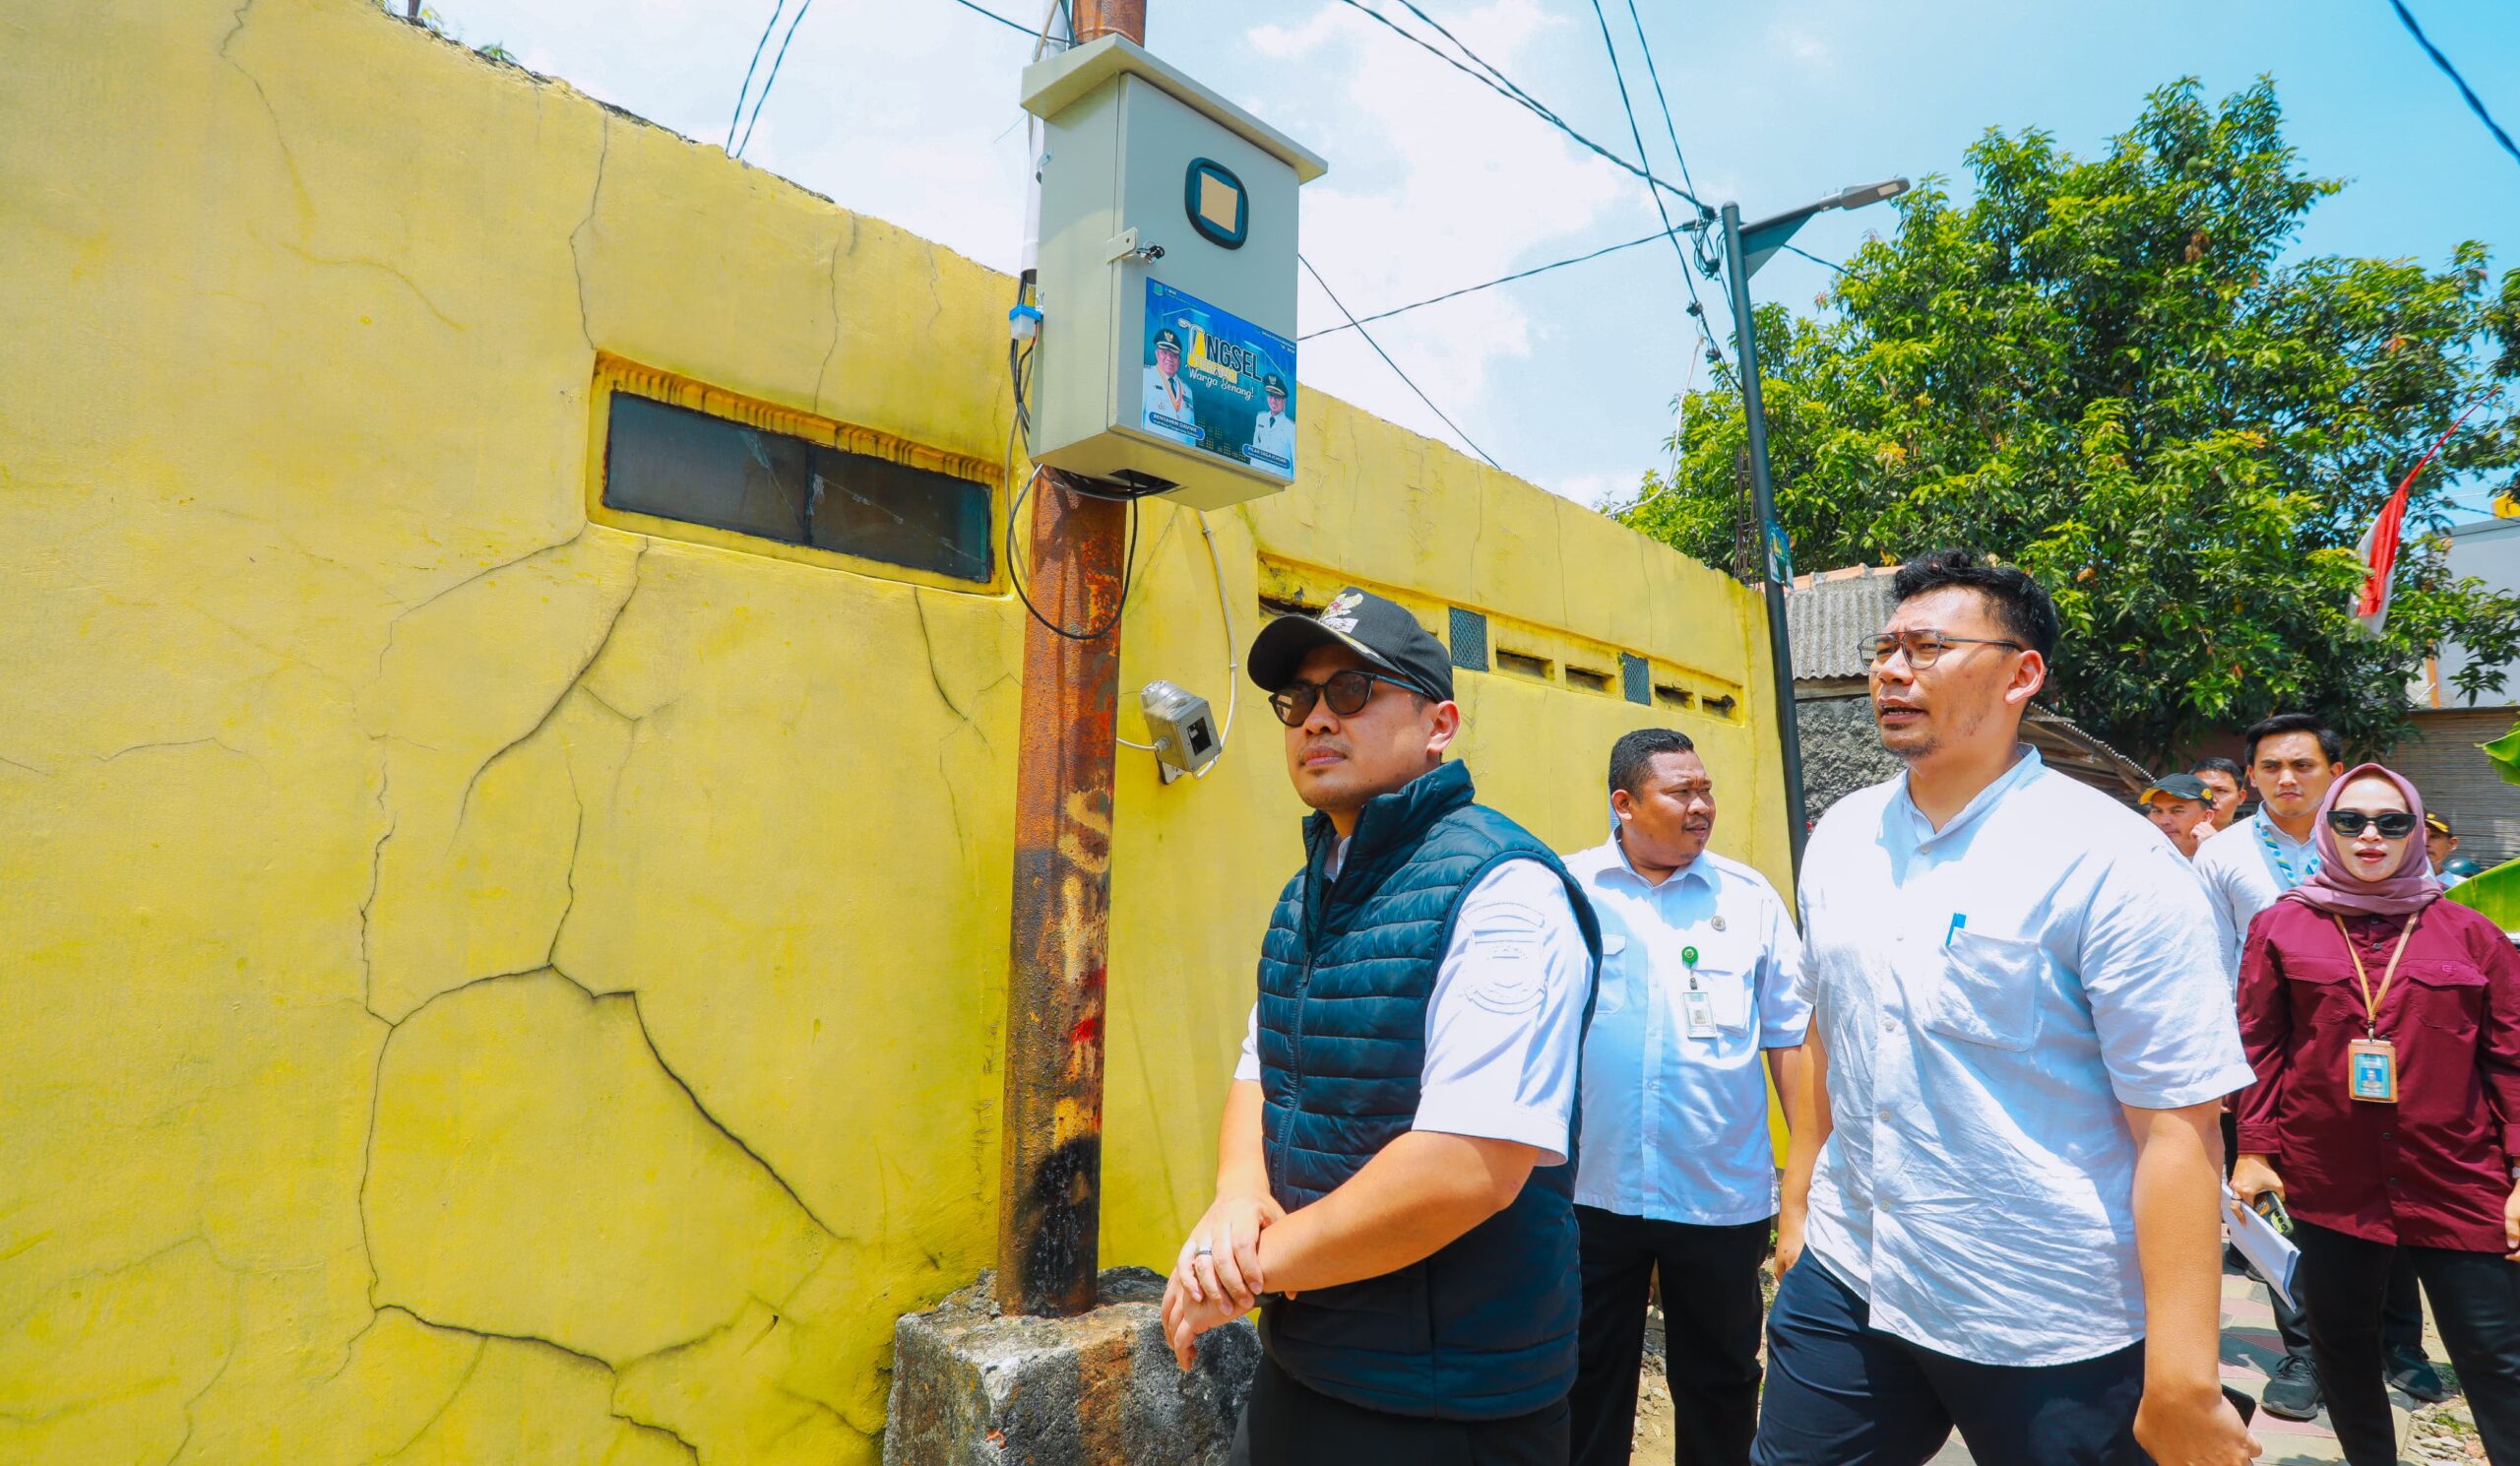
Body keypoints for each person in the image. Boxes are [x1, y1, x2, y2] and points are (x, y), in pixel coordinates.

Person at [1755, 548, 2259, 1466]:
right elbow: (1832, 1032)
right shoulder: (1840, 839)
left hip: (2047, 1311)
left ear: (2023, 672)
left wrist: (2184, 1372)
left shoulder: (2112, 861)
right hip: (1852, 1272)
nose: (1892, 670)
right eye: (1885, 647)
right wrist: (1799, 1212)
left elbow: (2179, 1128)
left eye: (1928, 646)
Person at [1163, 586, 1602, 1466]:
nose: (1317, 717)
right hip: (1310, 1356)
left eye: (1353, 691)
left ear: (1439, 725)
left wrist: (1246, 1269)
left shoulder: (1502, 889)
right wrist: (1236, 1198)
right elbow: (1266, 1063)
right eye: (1298, 700)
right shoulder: (1312, 886)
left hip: (1446, 1400)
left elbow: (1465, 1166)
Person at [2231, 763, 2520, 1464]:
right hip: (2330, 1180)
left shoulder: (2470, 934)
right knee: (2343, 1348)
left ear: (2416, 830)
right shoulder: (2282, 926)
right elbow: (2260, 1045)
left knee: (2498, 1355)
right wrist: (2254, 1148)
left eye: (2391, 821)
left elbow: (2512, 1060)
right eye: (2349, 819)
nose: (2370, 835)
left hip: (2457, 1178)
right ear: (2326, 829)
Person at [1563, 730, 1810, 1466]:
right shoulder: (1567, 889)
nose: (1702, 806)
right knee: (1586, 1378)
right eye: (1681, 792)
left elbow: (1791, 1038)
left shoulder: (1748, 897)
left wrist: (1806, 1174)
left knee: (1722, 1383)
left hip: (1718, 1197)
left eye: (1706, 790)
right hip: (1591, 1192)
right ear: (1624, 804)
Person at [2189, 714, 2437, 1417]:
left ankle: (2401, 1346)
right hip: (2270, 1058)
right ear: (2251, 779)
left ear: (2335, 768)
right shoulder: (2225, 856)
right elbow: (2209, 962)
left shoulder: (2376, 836)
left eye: (2302, 765)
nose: (2287, 780)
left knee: (2391, 1194)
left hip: (2380, 1056)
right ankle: (2307, 1350)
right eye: (2270, 768)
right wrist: (2222, 1068)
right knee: (2277, 1205)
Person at [1143, 327, 1201, 447]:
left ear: (1179, 360)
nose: (1169, 359)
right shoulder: (1145, 375)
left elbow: (1191, 434)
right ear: (1157, 354)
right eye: (1164, 353)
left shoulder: (1187, 390)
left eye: (1174, 355)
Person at [2141, 773, 2220, 859]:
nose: (2164, 821)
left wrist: (2214, 851)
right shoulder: (2139, 857)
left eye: (2177, 811)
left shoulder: (2227, 858)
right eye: (2157, 811)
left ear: (2206, 817)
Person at [1245, 372, 1295, 474]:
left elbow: (1294, 461)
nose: (1273, 401)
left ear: (1283, 401)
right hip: (1259, 478)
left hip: (1280, 481)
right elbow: (1255, 447)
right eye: (1270, 396)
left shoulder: (1291, 427)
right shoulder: (1260, 418)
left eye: (1277, 397)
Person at [2193, 756, 2248, 832]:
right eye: (2201, 790)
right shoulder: (2172, 840)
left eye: (2221, 791)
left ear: (2241, 797)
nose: (2210, 799)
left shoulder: (2253, 840)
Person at [2427, 812, 2467, 886]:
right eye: (2419, 836)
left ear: (2451, 844)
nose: (2425, 843)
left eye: (2434, 836)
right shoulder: (2400, 886)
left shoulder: (2463, 887)